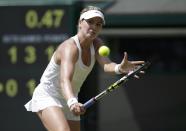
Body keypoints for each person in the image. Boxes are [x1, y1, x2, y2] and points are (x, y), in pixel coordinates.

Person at [24, 5, 144, 131]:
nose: (94, 27)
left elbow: (107, 65)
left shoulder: (97, 43)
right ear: (80, 23)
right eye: (90, 22)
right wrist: (72, 102)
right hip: (49, 95)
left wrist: (120, 68)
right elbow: (65, 80)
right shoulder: (70, 48)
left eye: (98, 24)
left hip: (71, 97)